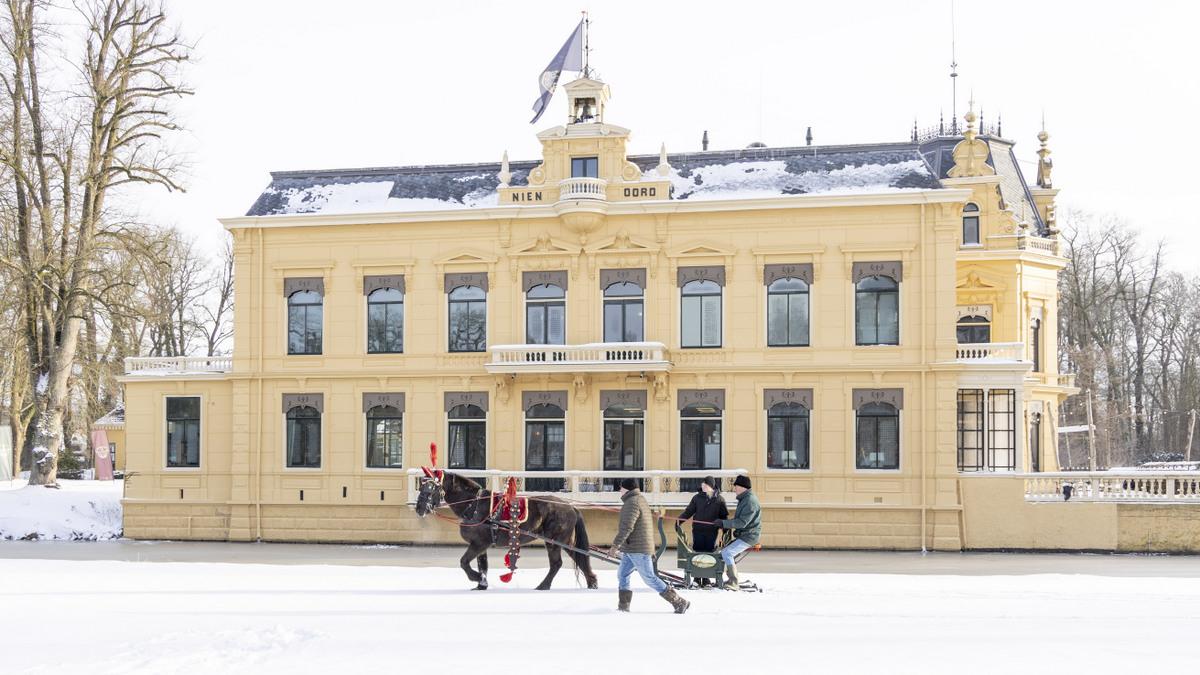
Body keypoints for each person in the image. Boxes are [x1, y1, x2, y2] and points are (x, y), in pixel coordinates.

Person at [608, 477, 690, 614]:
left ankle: (678, 601)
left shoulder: (632, 503)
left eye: (621, 488)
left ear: (627, 489)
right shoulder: (638, 499)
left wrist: (615, 546)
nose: (619, 490)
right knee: (622, 574)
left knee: (650, 578)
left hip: (638, 549)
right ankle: (623, 607)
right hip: (632, 548)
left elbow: (627, 527)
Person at [678, 475, 728, 587]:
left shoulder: (719, 500)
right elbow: (688, 511)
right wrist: (679, 521)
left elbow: (724, 516)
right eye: (703, 484)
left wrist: (725, 528)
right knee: (698, 553)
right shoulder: (697, 498)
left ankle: (706, 579)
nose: (703, 486)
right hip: (698, 530)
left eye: (705, 484)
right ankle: (696, 577)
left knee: (709, 554)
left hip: (711, 532)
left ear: (711, 486)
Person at [717, 474, 761, 591]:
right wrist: (724, 523)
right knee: (726, 552)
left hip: (749, 536)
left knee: (727, 553)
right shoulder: (745, 499)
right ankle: (731, 578)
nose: (734, 489)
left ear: (742, 487)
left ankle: (733, 582)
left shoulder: (750, 501)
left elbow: (742, 523)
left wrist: (723, 523)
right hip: (745, 535)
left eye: (736, 486)